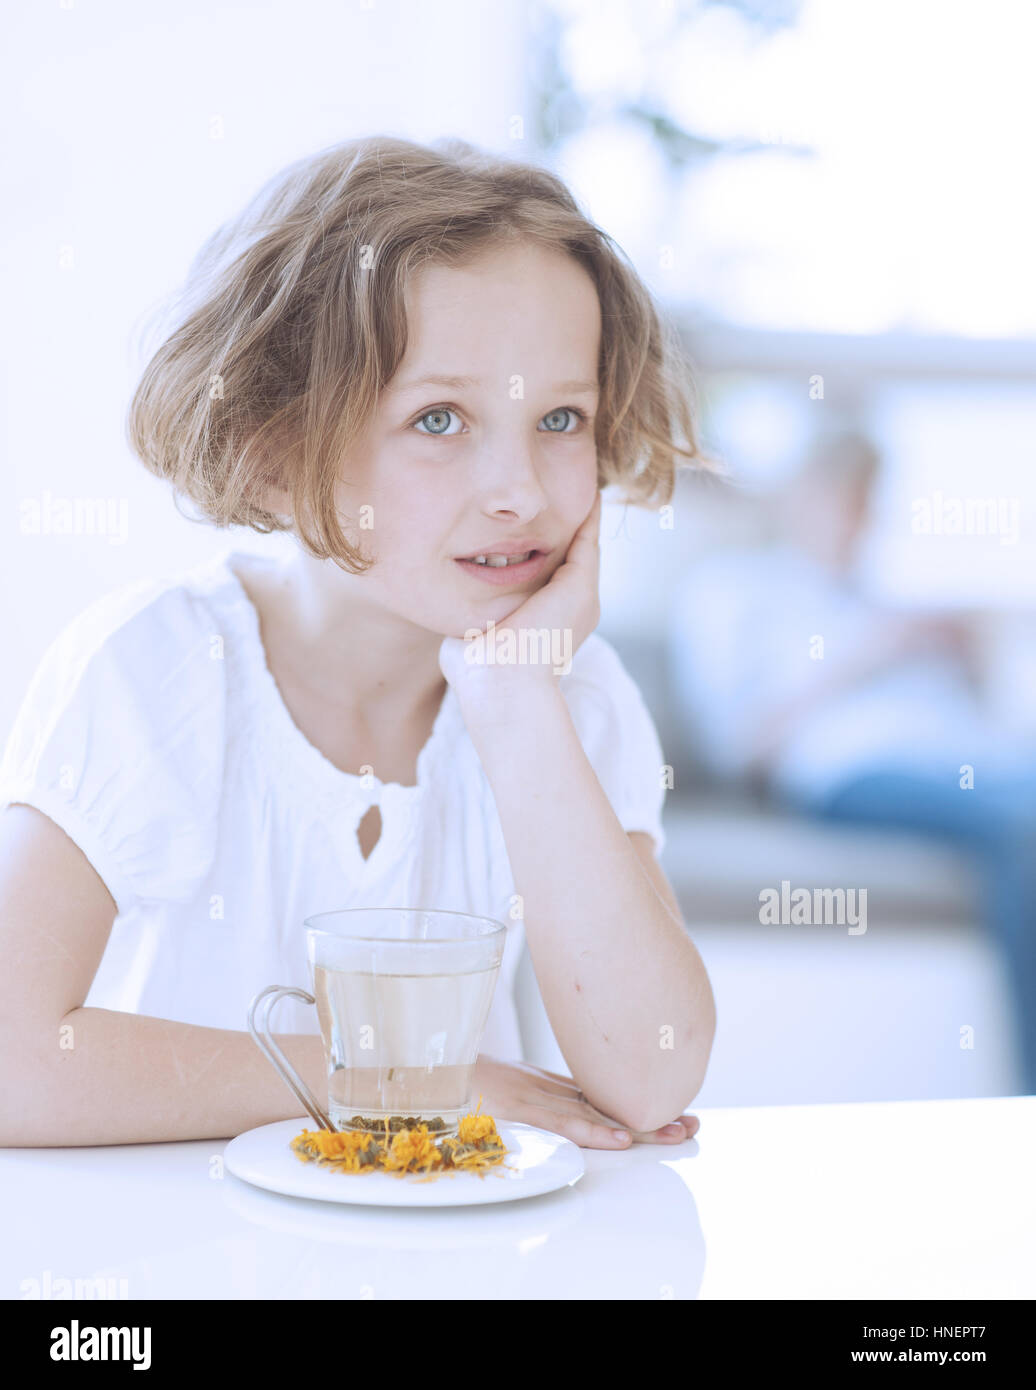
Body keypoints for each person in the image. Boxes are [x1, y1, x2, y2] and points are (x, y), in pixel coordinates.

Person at [0, 136, 714, 1149]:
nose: (517, 489)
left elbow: (649, 1074)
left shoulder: (569, 694)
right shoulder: (155, 670)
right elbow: (13, 1061)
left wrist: (515, 702)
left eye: (560, 416)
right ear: (275, 452)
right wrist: (394, 1078)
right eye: (438, 419)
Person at [668, 431, 1036, 1095]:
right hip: (852, 772)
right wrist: (872, 652)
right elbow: (743, 745)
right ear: (800, 498)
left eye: (869, 505)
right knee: (1023, 827)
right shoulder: (735, 588)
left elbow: (981, 721)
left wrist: (964, 654)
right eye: (847, 500)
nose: (859, 522)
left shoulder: (884, 593)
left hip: (970, 756)